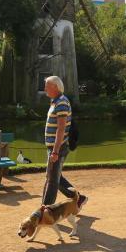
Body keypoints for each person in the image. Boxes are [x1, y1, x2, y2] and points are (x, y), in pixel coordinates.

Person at [42, 76, 88, 210]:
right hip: (53, 147)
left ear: (55, 87)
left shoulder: (61, 102)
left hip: (58, 147)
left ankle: (46, 210)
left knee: (52, 180)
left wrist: (55, 151)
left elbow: (61, 129)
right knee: (53, 176)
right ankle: (79, 198)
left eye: (47, 86)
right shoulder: (55, 101)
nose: (45, 88)